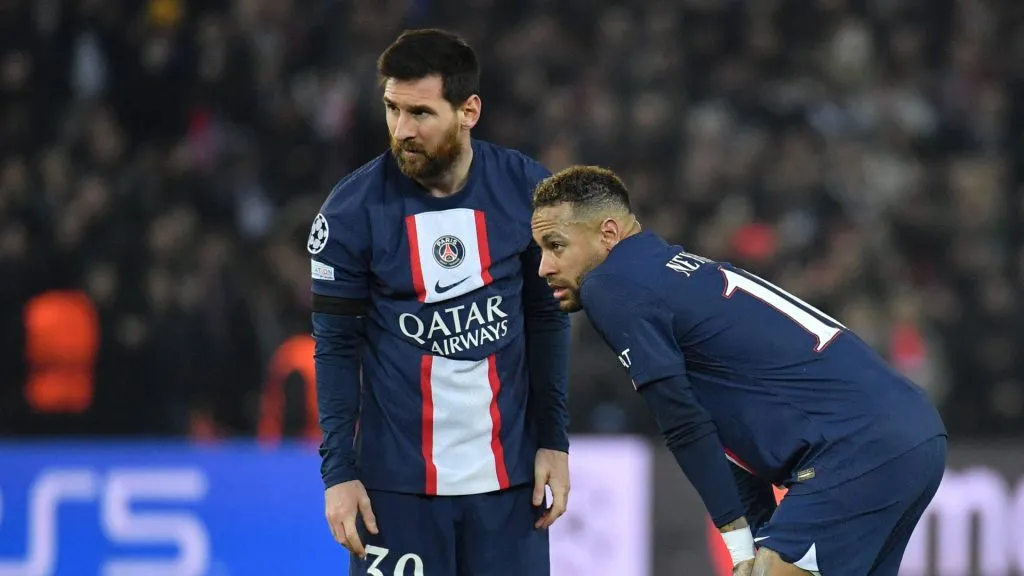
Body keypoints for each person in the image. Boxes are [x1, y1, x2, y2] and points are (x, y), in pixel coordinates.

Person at [529, 165, 947, 576]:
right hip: (909, 432)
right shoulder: (668, 271)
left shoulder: (610, 285)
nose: (544, 266)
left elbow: (682, 421)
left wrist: (737, 540)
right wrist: (757, 531)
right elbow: (723, 425)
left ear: (607, 234)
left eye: (556, 245)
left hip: (856, 447)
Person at [307, 29, 571, 576]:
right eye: (392, 109)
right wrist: (339, 474)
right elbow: (334, 349)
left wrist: (554, 442)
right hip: (396, 494)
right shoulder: (351, 213)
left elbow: (547, 320)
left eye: (421, 113)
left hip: (508, 486)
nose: (402, 130)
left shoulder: (527, 192)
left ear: (468, 110)